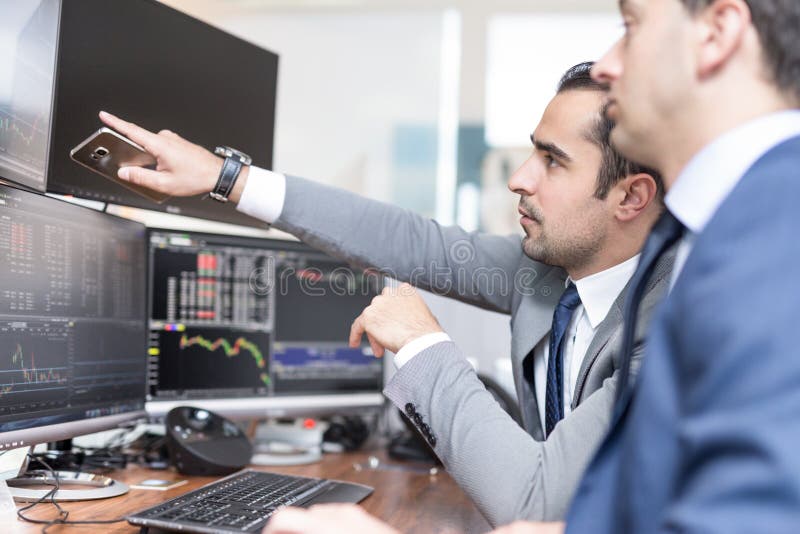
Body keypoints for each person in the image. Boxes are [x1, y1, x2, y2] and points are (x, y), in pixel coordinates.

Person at [98, 62, 668, 526]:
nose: (520, 177)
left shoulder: (675, 326)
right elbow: (411, 242)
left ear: (630, 198)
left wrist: (422, 345)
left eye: (553, 161)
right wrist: (226, 178)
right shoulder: (545, 273)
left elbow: (537, 502)